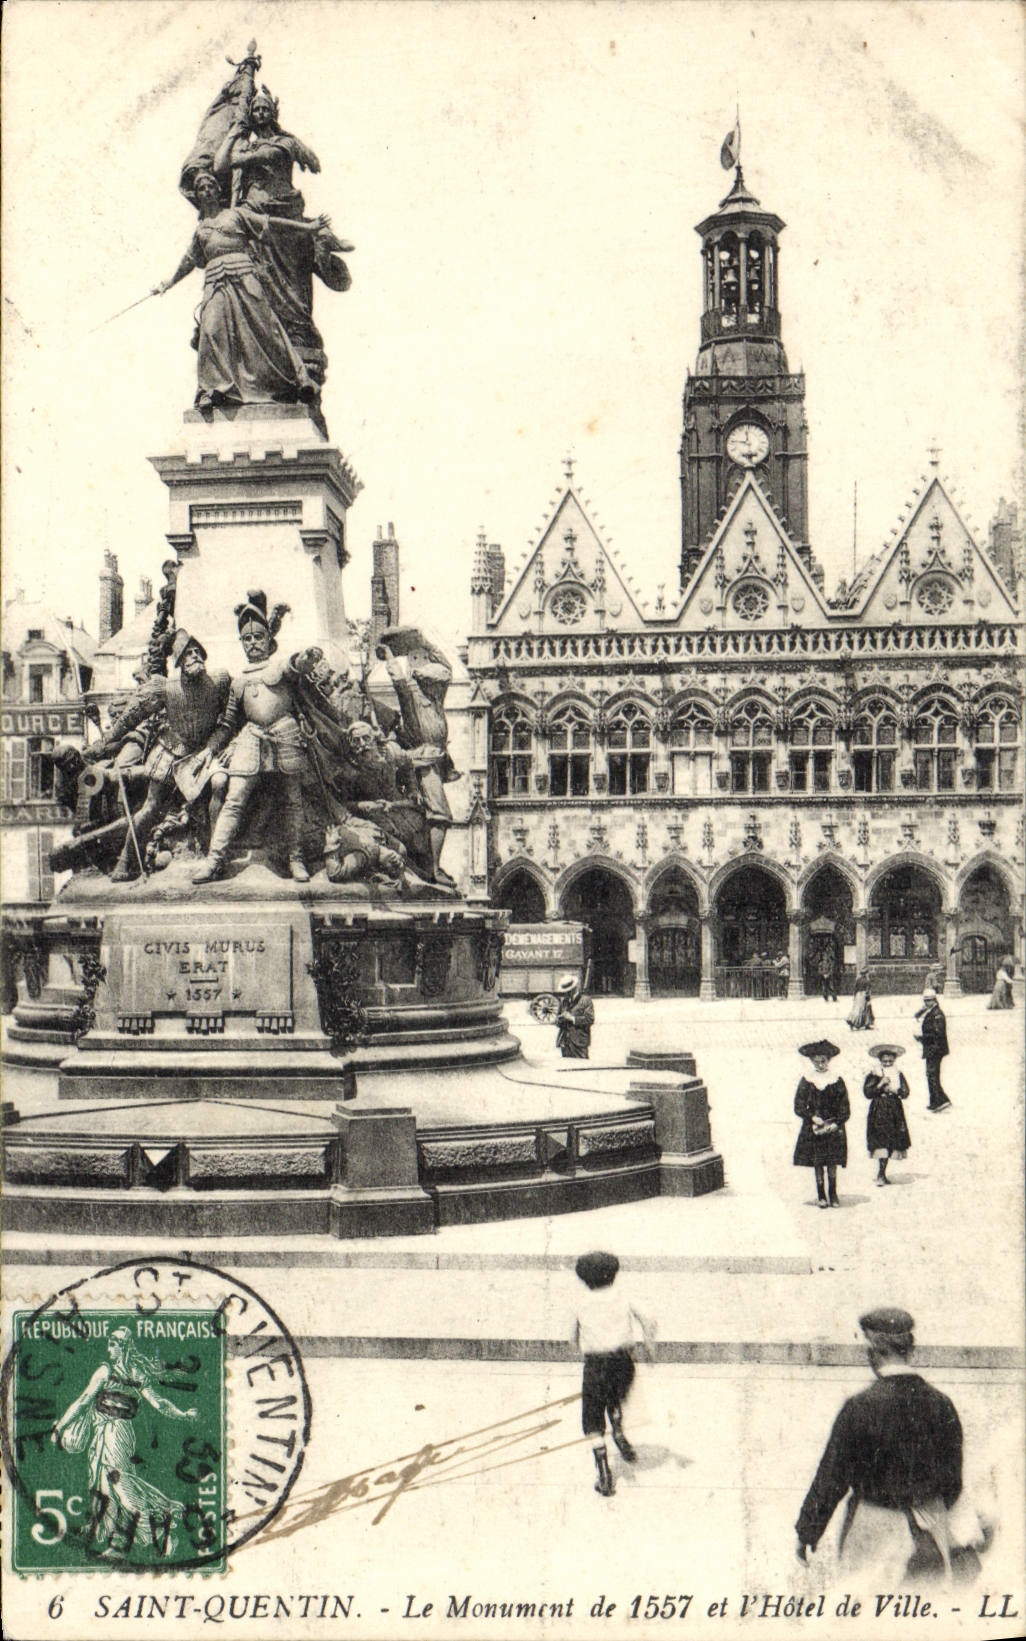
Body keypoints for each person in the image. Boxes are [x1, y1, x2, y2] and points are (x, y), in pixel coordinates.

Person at [795, 1308, 967, 1581]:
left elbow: (832, 1477)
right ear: (909, 1349)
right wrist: (924, 1506)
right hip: (929, 1532)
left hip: (872, 1532)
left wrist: (808, 1531)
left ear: (873, 1351)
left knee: (868, 1615)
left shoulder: (859, 1407)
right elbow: (953, 1482)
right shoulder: (942, 1404)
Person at [153, 170, 328, 410]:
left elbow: (271, 224)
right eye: (201, 189)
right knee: (211, 331)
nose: (206, 191)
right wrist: (168, 283)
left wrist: (307, 228)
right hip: (215, 282)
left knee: (267, 329)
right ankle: (213, 390)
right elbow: (189, 260)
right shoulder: (201, 230)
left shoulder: (236, 215)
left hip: (244, 276)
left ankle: (298, 381)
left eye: (210, 187)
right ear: (198, 196)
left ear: (218, 191)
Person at [75, 631, 230, 882]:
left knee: (219, 785)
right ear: (178, 661)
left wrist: (217, 747)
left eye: (197, 651)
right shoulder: (165, 688)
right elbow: (130, 717)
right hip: (171, 749)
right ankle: (126, 860)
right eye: (188, 653)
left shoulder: (219, 681)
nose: (195, 656)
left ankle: (215, 858)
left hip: (204, 751)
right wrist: (104, 743)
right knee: (150, 806)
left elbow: (233, 715)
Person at [50, 1327, 198, 1559]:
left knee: (121, 1486)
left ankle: (163, 1525)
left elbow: (83, 1401)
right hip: (107, 1433)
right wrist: (183, 1414)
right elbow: (158, 1403)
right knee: (105, 1487)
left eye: (113, 1344)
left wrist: (60, 1427)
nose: (109, 1349)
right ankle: (117, 1543)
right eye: (109, 1344)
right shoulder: (130, 1372)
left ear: (124, 1347)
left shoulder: (111, 1372)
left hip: (116, 1434)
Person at [192, 592, 310, 883]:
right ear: (242, 643)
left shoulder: (281, 667)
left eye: (259, 636)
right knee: (233, 800)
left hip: (285, 735)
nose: (254, 642)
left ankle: (297, 859)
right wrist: (209, 749)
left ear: (269, 640)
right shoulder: (239, 681)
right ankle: (214, 860)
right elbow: (229, 722)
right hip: (251, 737)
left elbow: (296, 665)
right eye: (247, 638)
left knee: (292, 801)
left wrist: (305, 659)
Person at [570, 1251, 654, 1497]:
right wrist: (649, 1345)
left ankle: (604, 1472)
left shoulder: (579, 1303)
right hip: (623, 1362)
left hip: (596, 1363)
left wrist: (581, 1347)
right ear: (614, 1275)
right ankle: (618, 1429)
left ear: (583, 1279)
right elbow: (649, 1318)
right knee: (613, 1395)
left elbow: (570, 1338)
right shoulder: (625, 1297)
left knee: (592, 1420)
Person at [793, 1039, 849, 1208]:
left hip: (833, 1127)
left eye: (823, 1061)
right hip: (814, 1128)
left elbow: (845, 1106)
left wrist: (837, 1122)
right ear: (811, 1061)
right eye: (816, 1062)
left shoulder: (837, 1080)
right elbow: (799, 1105)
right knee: (818, 1162)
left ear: (828, 1060)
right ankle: (821, 1195)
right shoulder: (807, 1080)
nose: (820, 1065)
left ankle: (833, 1194)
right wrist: (811, 1117)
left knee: (832, 1162)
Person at [864, 1044, 911, 1186]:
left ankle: (882, 1173)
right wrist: (880, 1085)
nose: (888, 1063)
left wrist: (896, 1091)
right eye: (885, 1061)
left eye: (890, 1061)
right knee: (881, 1139)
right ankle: (880, 1174)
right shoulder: (875, 1073)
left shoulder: (898, 1073)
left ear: (894, 1060)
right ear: (880, 1060)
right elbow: (867, 1092)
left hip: (894, 1108)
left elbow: (906, 1091)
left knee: (892, 1139)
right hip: (879, 1108)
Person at [914, 989, 952, 1113]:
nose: (926, 1003)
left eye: (928, 1000)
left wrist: (921, 1038)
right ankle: (939, 1100)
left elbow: (937, 1033)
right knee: (931, 1075)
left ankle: (938, 1101)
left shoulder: (937, 1014)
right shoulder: (932, 1011)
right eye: (925, 1001)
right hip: (933, 1048)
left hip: (935, 1049)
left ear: (934, 1000)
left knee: (932, 1075)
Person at [555, 974, 595, 1060]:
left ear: (574, 988)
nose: (566, 993)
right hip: (565, 1042)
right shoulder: (564, 1001)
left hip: (579, 1042)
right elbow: (557, 1020)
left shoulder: (585, 1000)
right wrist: (559, 1020)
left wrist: (572, 1018)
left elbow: (590, 1019)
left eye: (568, 990)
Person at [847, 966, 874, 1031]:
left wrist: (854, 996)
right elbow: (867, 990)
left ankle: (853, 1020)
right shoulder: (867, 981)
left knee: (857, 1009)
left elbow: (855, 989)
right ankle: (864, 1023)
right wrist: (868, 998)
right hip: (863, 995)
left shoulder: (858, 980)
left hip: (858, 995)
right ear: (866, 974)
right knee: (865, 1009)